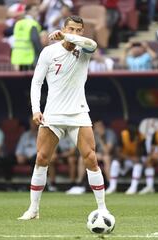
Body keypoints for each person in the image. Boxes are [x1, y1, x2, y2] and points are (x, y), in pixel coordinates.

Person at [18, 15, 109, 220]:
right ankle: (33, 209)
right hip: (53, 114)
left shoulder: (84, 49)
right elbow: (36, 83)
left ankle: (102, 208)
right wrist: (35, 109)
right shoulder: (49, 52)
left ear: (82, 32)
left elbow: (92, 44)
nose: (75, 33)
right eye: (71, 29)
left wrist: (67, 36)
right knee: (41, 159)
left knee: (91, 158)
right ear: (63, 27)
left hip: (78, 112)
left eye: (78, 30)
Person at [106, 123, 146, 195]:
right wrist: (129, 158)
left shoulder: (141, 137)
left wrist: (137, 143)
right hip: (126, 159)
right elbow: (118, 153)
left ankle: (133, 187)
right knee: (115, 163)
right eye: (131, 132)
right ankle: (112, 187)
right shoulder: (123, 135)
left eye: (134, 132)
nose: (133, 134)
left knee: (138, 164)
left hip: (138, 160)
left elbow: (141, 155)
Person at [11, 4, 42, 71]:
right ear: (28, 12)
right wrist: (41, 53)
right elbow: (35, 40)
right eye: (35, 10)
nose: (37, 13)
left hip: (17, 58)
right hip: (29, 59)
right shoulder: (33, 24)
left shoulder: (18, 23)